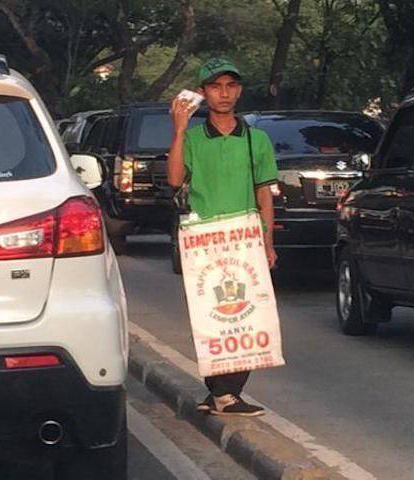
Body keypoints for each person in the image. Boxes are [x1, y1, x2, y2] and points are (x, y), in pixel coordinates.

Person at [167, 58, 278, 417]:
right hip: (205, 240)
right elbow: (173, 179)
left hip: (245, 240)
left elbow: (264, 193)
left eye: (231, 86)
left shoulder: (256, 140)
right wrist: (180, 130)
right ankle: (222, 393)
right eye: (216, 87)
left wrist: (268, 240)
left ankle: (224, 392)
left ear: (239, 91)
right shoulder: (195, 139)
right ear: (203, 94)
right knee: (212, 315)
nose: (224, 93)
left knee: (246, 316)